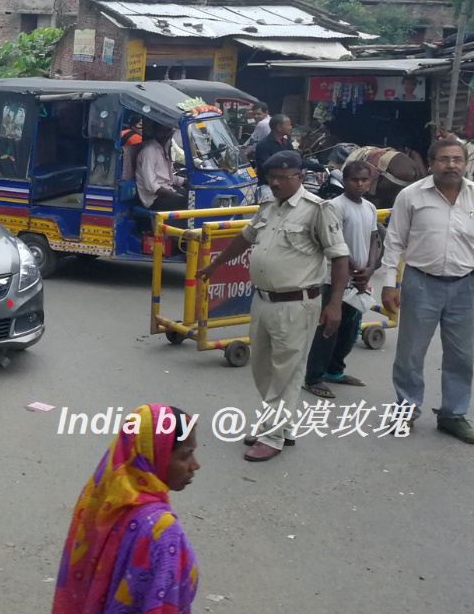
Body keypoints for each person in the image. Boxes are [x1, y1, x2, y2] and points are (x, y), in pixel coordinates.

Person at [199, 151, 348, 462]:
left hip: (297, 304)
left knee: (286, 372)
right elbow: (245, 237)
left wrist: (335, 303)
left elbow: (339, 257)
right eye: (272, 178)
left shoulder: (318, 210)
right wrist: (216, 264)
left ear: (300, 176)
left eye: (283, 177)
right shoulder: (268, 205)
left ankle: (272, 435)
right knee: (264, 368)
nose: (276, 183)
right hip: (263, 299)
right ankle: (281, 425)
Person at [41, 404, 200, 614]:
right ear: (156, 454)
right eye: (185, 455)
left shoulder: (108, 503)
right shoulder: (161, 530)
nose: (195, 465)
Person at [378, 137, 474, 443]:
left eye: (457, 159)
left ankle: (453, 415)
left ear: (465, 163)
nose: (451, 165)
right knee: (410, 354)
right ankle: (406, 411)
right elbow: (394, 241)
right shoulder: (411, 195)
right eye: (444, 159)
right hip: (421, 283)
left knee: (463, 356)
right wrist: (389, 283)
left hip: (466, 285)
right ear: (431, 164)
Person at [301, 161, 378, 400]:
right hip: (333, 278)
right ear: (344, 181)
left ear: (370, 182)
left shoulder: (370, 207)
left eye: (364, 180)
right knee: (328, 328)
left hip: (358, 280)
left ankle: (335, 371)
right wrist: (354, 268)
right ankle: (313, 377)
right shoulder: (334, 207)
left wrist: (370, 268)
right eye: (354, 180)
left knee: (349, 330)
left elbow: (374, 239)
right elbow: (334, 244)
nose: (360, 184)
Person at [137, 121, 188, 212]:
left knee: (194, 194)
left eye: (168, 131)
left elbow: (167, 177)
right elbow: (150, 186)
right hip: (153, 199)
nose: (166, 135)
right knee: (188, 202)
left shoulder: (164, 147)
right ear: (155, 132)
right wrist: (174, 194)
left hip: (167, 189)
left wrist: (185, 181)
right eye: (162, 131)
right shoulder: (149, 152)